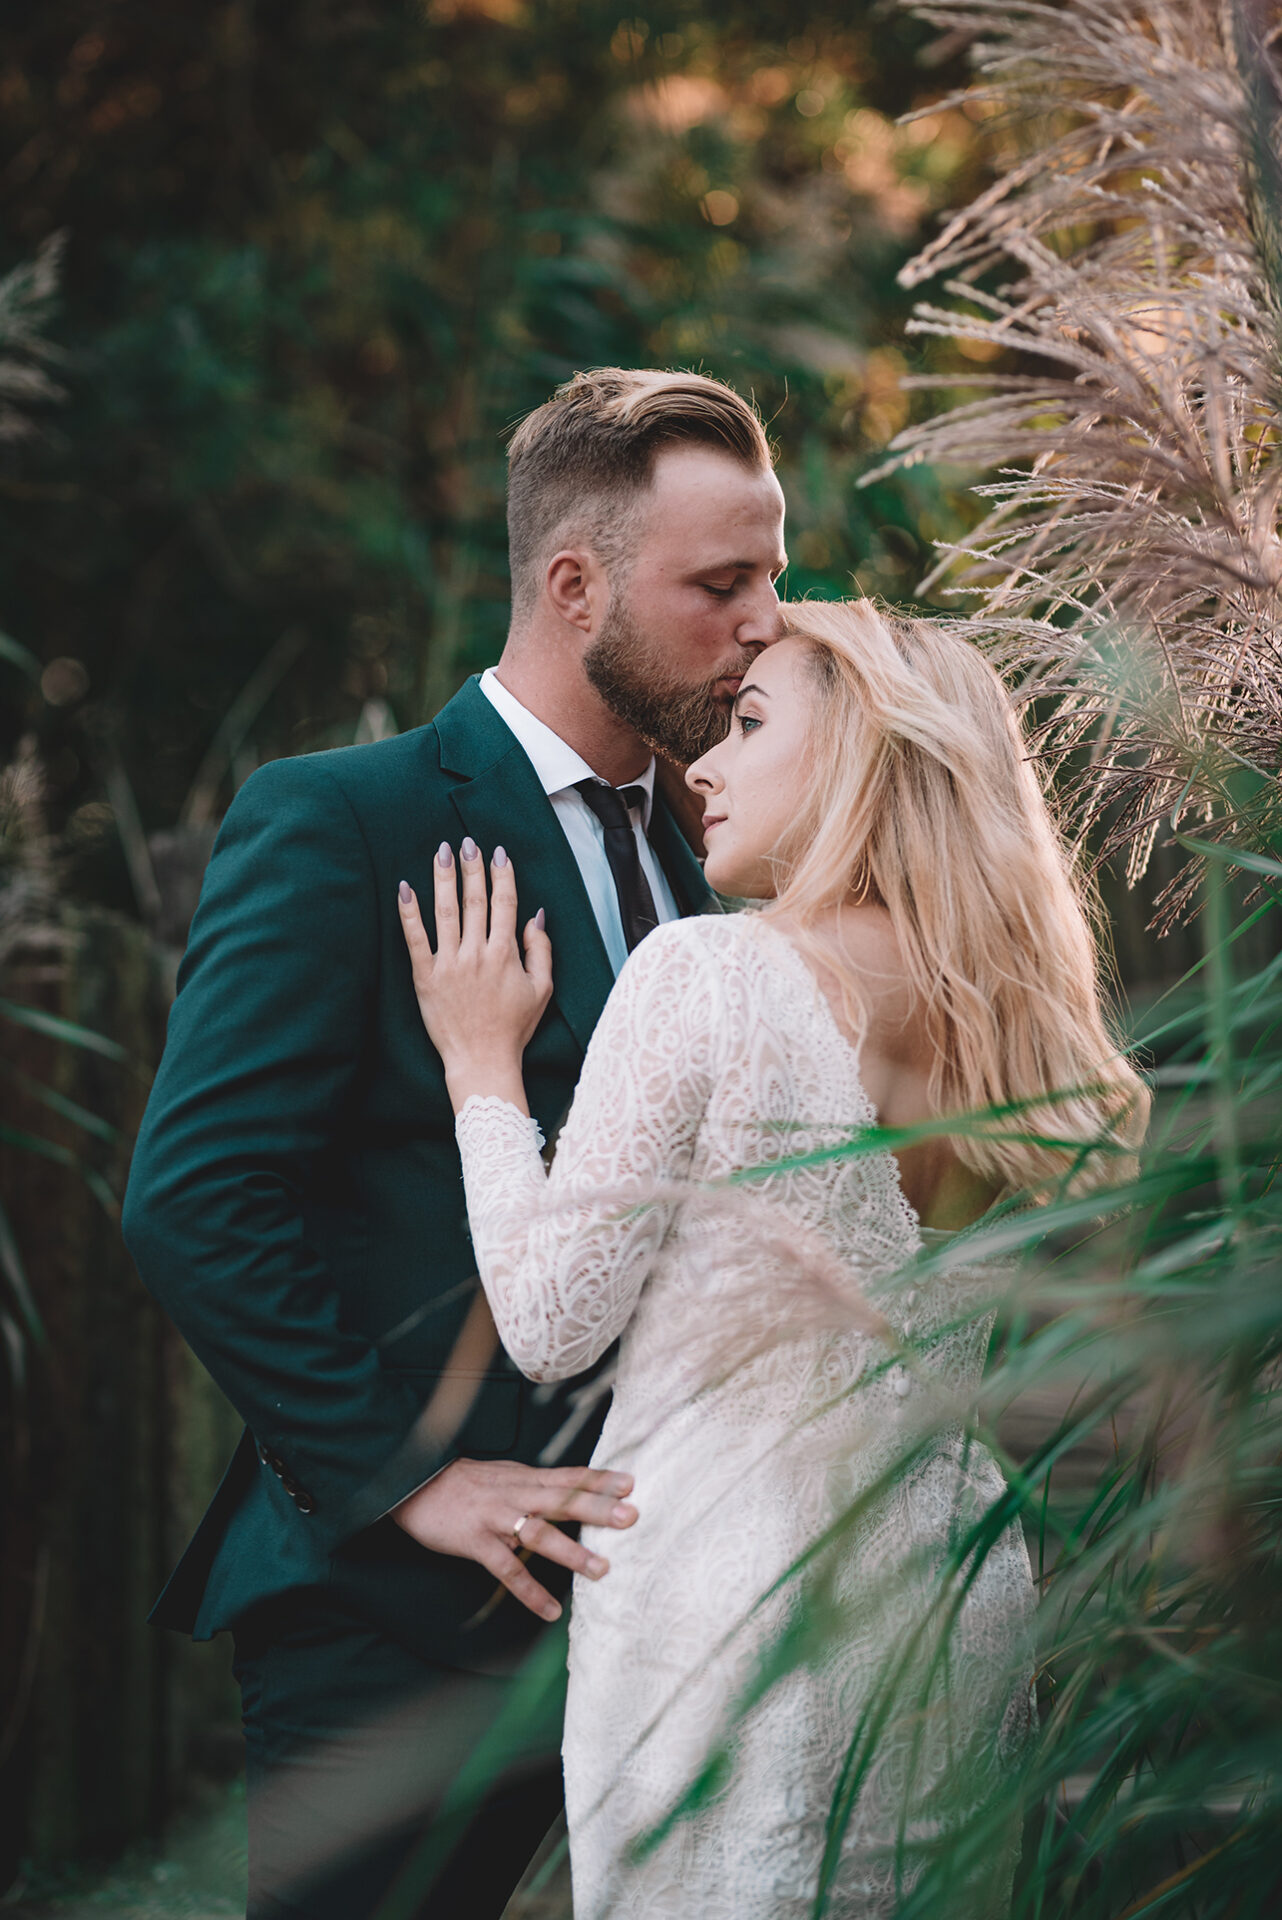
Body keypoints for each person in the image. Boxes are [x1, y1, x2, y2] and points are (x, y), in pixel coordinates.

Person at [120, 366, 787, 1918]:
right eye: (720, 584)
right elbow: (195, 1197)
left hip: (670, 1606)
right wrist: (405, 1481)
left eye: (773, 575)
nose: (766, 620)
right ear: (574, 587)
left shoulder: (729, 845)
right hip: (395, 1619)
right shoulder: (345, 820)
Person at [396, 599, 1151, 1918]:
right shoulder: (1019, 1039)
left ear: (863, 755)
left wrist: (479, 1067)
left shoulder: (710, 975)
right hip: (949, 1593)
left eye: (749, 725)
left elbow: (550, 1320)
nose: (704, 766)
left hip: (729, 1611)